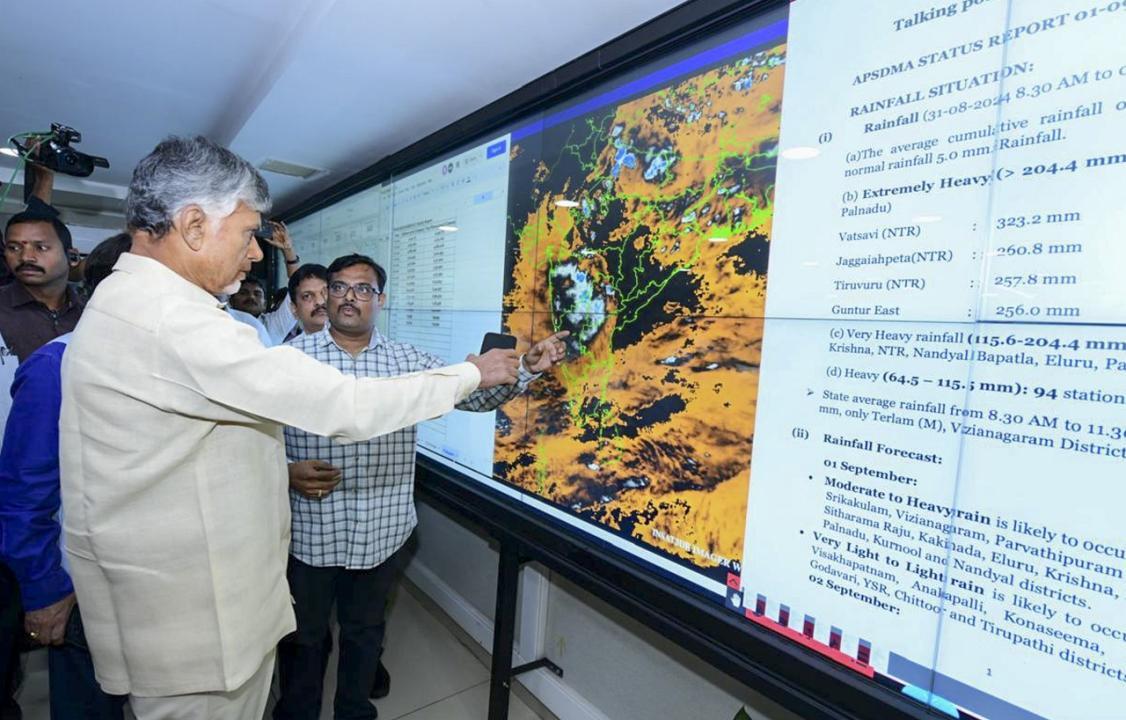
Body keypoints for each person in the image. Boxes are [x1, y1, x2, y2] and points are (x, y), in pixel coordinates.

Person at [58, 135, 520, 720]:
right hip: (199, 630)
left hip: (182, 613)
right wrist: (469, 372)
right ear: (195, 224)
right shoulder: (169, 321)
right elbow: (348, 407)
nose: (255, 254)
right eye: (250, 233)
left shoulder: (132, 304)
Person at [274, 254, 567, 720]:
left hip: (382, 533)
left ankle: (354, 711)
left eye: (363, 288)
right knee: (305, 638)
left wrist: (525, 368)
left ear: (380, 300)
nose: (351, 296)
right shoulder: (287, 362)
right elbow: (252, 435)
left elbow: (473, 395)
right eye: (340, 286)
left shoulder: (409, 361)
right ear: (326, 296)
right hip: (311, 533)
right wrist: (285, 469)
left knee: (365, 632)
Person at [0, 233, 133, 720]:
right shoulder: (55, 367)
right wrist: (43, 592)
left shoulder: (167, 367)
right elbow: (23, 497)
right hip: (83, 589)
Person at [285, 263, 329, 340]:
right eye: (307, 296)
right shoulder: (289, 351)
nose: (319, 301)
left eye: (325, 293)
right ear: (294, 309)